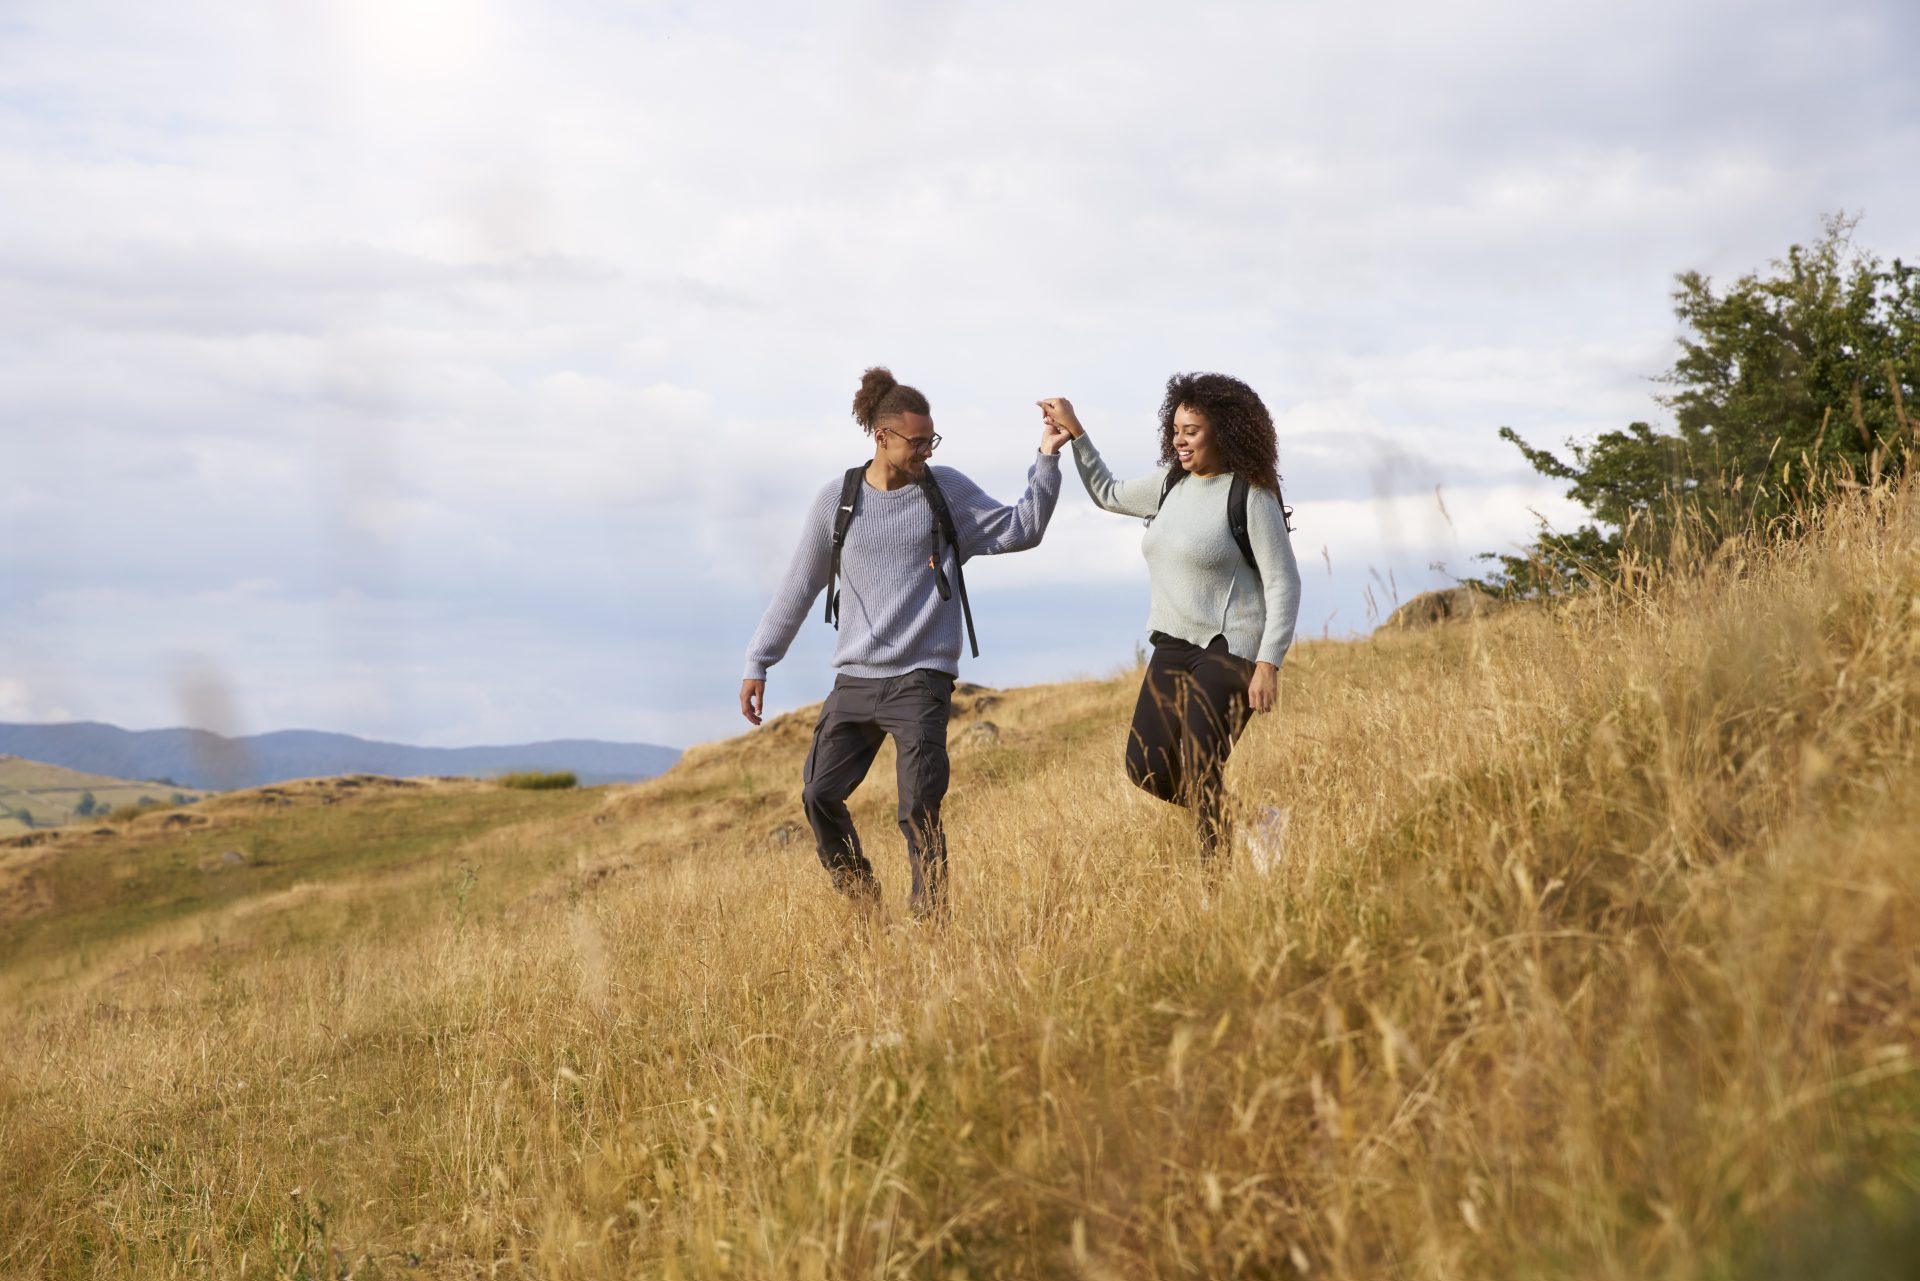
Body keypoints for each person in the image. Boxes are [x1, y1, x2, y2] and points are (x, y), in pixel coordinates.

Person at [742, 367, 1070, 918]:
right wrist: (759, 658)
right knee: (818, 795)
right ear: (882, 436)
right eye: (916, 441)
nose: (925, 450)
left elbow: (1023, 528)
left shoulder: (945, 491)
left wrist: (1048, 456)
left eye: (931, 440)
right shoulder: (838, 502)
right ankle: (862, 899)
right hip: (855, 679)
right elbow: (799, 585)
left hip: (921, 677)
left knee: (919, 806)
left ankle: (929, 922)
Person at [1038, 373, 1301, 865]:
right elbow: (1107, 492)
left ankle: (1213, 892)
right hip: (1174, 644)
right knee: (1145, 767)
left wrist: (1269, 663)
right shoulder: (1170, 483)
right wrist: (1075, 433)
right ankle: (1253, 821)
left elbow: (1284, 582)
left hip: (1229, 646)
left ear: (1222, 432)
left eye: (1192, 431)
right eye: (1176, 429)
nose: (1179, 440)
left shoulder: (1251, 494)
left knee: (1203, 769)